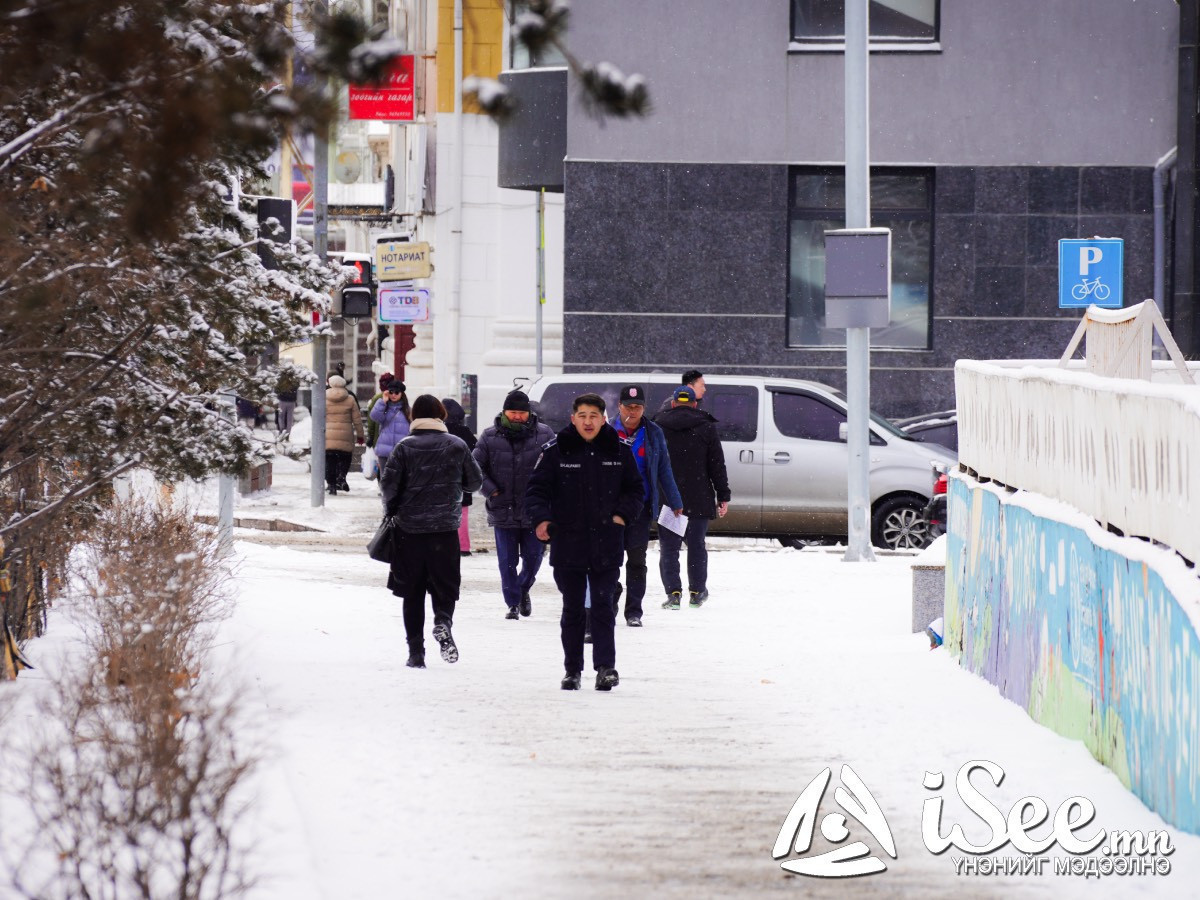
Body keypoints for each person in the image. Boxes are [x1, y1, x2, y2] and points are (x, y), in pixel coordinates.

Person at [526, 393, 644, 691]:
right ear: (573, 418)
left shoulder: (619, 450)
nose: (588, 421)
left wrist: (621, 516)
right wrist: (542, 520)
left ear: (604, 418)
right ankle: (572, 670)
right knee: (573, 609)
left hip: (607, 543)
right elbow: (536, 491)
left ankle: (606, 668)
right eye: (583, 415)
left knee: (604, 606)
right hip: (569, 544)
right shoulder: (555, 452)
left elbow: (635, 491)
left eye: (594, 415)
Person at [382, 395, 483, 669]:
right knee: (446, 586)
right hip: (445, 530)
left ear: (414, 416)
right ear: (441, 415)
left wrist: (392, 509)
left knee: (412, 592)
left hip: (409, 531)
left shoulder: (403, 448)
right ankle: (442, 621)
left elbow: (388, 486)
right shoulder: (457, 445)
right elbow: (475, 483)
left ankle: (416, 652)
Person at [473, 389, 554, 619]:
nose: (518, 417)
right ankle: (512, 604)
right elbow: (474, 467)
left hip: (534, 510)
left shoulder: (545, 434)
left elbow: (556, 466)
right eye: (513, 412)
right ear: (504, 412)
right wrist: (491, 490)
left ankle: (523, 588)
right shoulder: (489, 437)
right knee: (507, 561)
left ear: (529, 413)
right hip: (502, 507)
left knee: (534, 557)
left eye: (522, 412)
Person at [609, 384, 683, 627]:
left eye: (638, 407)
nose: (633, 411)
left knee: (637, 560)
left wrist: (675, 501)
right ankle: (610, 599)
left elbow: (664, 469)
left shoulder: (653, 433)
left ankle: (634, 611)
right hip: (610, 509)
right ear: (619, 407)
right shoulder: (606, 430)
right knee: (609, 560)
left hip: (639, 508)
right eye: (628, 406)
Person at [653, 385, 730, 609]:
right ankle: (697, 592)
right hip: (699, 496)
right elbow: (717, 464)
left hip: (668, 497)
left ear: (674, 403)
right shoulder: (706, 427)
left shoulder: (658, 426)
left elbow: (652, 463)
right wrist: (723, 494)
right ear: (695, 404)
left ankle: (673, 594)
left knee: (669, 548)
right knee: (696, 546)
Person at [442, 398, 478, 557]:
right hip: (462, 477)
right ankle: (463, 546)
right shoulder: (465, 432)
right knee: (462, 513)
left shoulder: (439, 431)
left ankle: (444, 545)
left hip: (441, 477)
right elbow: (475, 453)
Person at [324, 374, 364, 495]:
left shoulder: (323, 397)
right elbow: (357, 419)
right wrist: (360, 435)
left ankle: (331, 484)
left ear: (330, 383)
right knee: (345, 457)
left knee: (329, 460)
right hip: (346, 434)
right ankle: (341, 476)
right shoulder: (350, 399)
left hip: (329, 434)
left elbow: (319, 417)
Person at [370, 377, 411, 476]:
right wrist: (383, 401)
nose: (393, 395)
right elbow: (374, 416)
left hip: (401, 452)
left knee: (400, 479)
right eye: (391, 392)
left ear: (402, 394)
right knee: (386, 479)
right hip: (384, 450)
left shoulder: (408, 410)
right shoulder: (384, 407)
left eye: (397, 392)